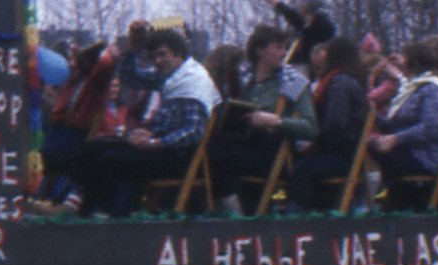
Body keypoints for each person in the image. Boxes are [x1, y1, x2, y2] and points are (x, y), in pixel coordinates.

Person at [76, 26, 221, 217]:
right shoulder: (173, 77)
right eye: (154, 57)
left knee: (110, 157)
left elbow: (192, 131)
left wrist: (155, 142)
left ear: (178, 53)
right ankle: (91, 210)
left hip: (177, 157)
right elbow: (131, 78)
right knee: (93, 147)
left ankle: (109, 211)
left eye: (163, 54)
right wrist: (132, 49)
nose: (158, 61)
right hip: (161, 146)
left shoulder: (192, 81)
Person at [208, 23, 318, 210]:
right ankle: (229, 207)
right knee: (209, 147)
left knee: (218, 155)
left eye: (285, 47)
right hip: (244, 144)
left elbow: (311, 128)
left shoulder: (292, 81)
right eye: (278, 47)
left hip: (273, 149)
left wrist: (275, 121)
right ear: (260, 50)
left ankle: (234, 211)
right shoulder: (243, 81)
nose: (284, 53)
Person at [368, 38, 438, 209]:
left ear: (412, 63)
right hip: (409, 148)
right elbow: (395, 123)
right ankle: (397, 196)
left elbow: (430, 127)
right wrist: (371, 116)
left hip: (426, 155)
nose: (401, 63)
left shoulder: (433, 89)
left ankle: (396, 198)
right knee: (372, 145)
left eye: (404, 58)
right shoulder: (413, 87)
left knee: (380, 150)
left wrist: (396, 139)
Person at [287, 36, 371, 211]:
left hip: (341, 154)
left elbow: (335, 124)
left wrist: (312, 141)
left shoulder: (340, 83)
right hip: (347, 151)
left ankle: (296, 214)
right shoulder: (352, 80)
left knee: (300, 167)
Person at [35, 39, 117, 213]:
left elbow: (105, 65)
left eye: (74, 60)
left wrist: (108, 53)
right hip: (59, 129)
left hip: (76, 132)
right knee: (46, 154)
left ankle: (67, 202)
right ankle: (44, 199)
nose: (71, 64)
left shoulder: (94, 83)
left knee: (65, 159)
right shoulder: (71, 82)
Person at [260, 0, 337, 70]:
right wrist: (276, 2)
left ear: (308, 4)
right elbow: (296, 20)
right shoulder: (315, 24)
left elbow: (299, 22)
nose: (299, 5)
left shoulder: (320, 26)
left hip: (311, 71)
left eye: (302, 1)